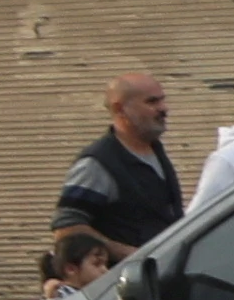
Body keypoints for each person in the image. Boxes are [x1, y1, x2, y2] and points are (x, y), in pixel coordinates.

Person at [59, 67, 186, 266]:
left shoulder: (154, 150)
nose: (164, 108)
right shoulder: (98, 163)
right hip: (127, 287)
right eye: (152, 101)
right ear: (120, 109)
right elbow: (67, 227)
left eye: (162, 99)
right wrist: (129, 255)